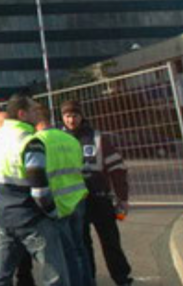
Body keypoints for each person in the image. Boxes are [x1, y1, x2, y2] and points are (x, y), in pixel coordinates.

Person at [0, 94, 70, 286]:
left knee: (0, 275)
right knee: (55, 276)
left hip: (4, 217)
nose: (38, 113)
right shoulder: (30, 142)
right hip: (31, 218)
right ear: (22, 114)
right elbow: (40, 191)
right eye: (34, 110)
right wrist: (53, 212)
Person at [61, 99, 133, 286]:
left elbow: (117, 169)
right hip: (76, 202)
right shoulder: (59, 139)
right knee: (83, 246)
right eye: (67, 116)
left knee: (111, 243)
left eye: (74, 115)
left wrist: (122, 198)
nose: (71, 120)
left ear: (81, 115)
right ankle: (89, 279)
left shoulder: (97, 138)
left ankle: (122, 279)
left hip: (100, 199)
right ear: (62, 117)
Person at [33, 105, 91, 286]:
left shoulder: (37, 141)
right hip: (78, 199)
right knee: (80, 248)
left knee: (65, 254)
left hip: (57, 204)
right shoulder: (70, 139)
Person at [0, 112, 35, 286]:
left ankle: (25, 279)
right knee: (4, 261)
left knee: (15, 259)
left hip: (19, 208)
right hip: (1, 210)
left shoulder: (16, 142)